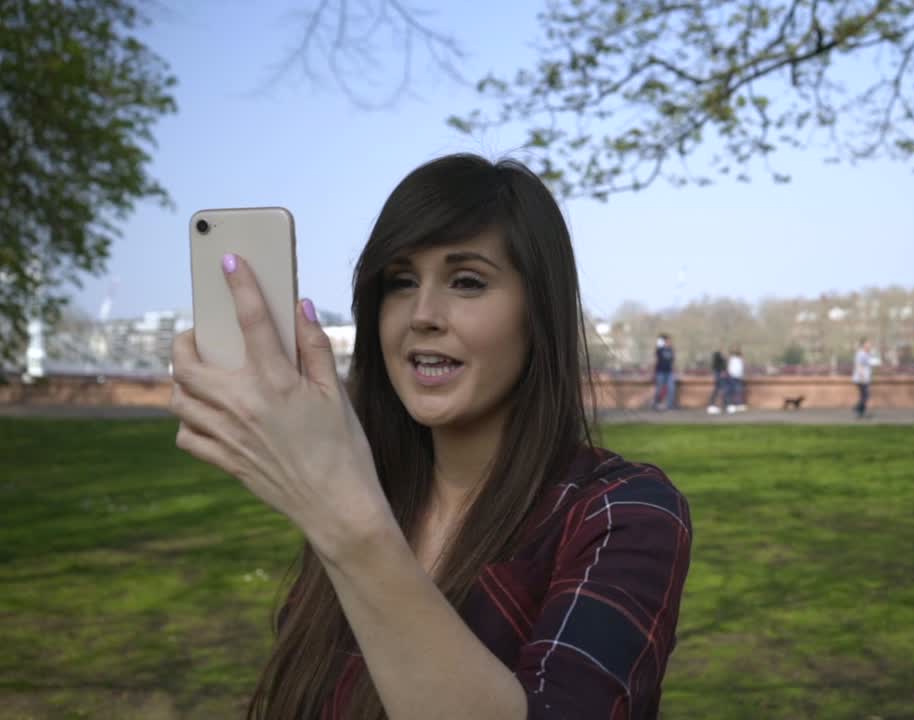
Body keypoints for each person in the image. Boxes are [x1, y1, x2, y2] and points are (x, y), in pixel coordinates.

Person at [168, 154, 693, 719]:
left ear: (538, 312)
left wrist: (344, 518)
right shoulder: (379, 494)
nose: (422, 314)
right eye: (400, 282)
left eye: (466, 282)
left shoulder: (621, 512)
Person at [652, 333, 676, 410]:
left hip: (669, 372)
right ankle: (655, 403)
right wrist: (653, 372)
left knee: (671, 388)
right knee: (659, 389)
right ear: (664, 341)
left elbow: (672, 362)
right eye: (668, 341)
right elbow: (655, 361)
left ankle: (670, 406)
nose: (670, 342)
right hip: (660, 372)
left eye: (670, 341)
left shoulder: (671, 350)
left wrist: (674, 370)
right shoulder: (659, 350)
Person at [852, 337, 875, 418]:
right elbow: (859, 366)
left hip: (865, 378)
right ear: (863, 344)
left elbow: (872, 363)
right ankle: (857, 409)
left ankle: (860, 412)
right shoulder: (860, 354)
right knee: (865, 395)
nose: (870, 345)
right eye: (868, 343)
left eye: (870, 344)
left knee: (864, 396)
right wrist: (862, 377)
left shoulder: (867, 353)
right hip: (861, 379)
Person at [705, 349, 727, 414]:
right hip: (719, 374)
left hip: (718, 374)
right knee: (719, 390)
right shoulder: (718, 357)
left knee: (718, 389)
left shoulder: (717, 357)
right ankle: (715, 404)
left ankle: (716, 404)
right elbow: (720, 365)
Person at [726, 347, 746, 414]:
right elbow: (729, 367)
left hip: (738, 376)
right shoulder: (731, 359)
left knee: (739, 391)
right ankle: (731, 405)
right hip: (732, 376)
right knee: (732, 391)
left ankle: (738, 404)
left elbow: (742, 367)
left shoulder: (739, 359)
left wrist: (742, 375)